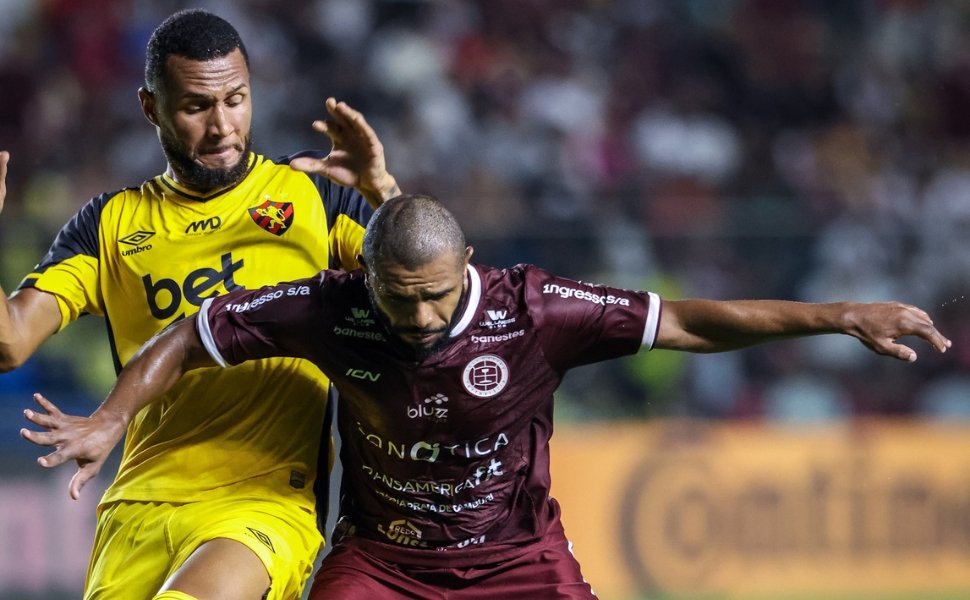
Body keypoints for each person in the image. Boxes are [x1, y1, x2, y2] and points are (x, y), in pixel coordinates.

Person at [21, 194, 951, 599]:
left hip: (516, 563)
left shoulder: (537, 310)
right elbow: (189, 333)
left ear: (467, 266)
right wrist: (110, 419)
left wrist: (835, 314)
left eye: (435, 293)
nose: (419, 317)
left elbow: (690, 323)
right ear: (368, 276)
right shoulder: (328, 307)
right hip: (380, 564)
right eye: (398, 296)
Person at [3, 8, 400, 600]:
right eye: (196, 107)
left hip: (261, 504)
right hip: (137, 506)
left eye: (236, 100)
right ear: (150, 108)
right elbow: (9, 342)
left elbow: (434, 302)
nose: (222, 127)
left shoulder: (311, 193)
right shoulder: (110, 223)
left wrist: (385, 197)